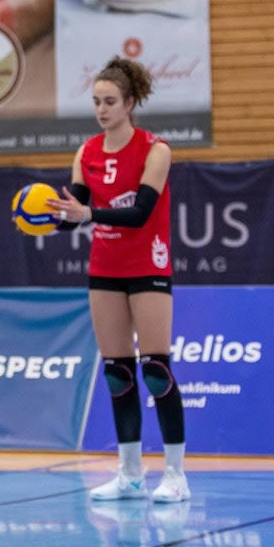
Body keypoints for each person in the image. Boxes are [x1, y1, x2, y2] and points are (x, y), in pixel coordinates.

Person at [46, 56, 190, 504]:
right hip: (105, 268)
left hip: (148, 265)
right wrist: (49, 216)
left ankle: (175, 475)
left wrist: (87, 213)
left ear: (130, 102)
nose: (102, 109)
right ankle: (129, 474)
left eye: (110, 101)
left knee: (156, 370)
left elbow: (140, 211)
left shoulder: (155, 150)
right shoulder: (86, 153)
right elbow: (78, 213)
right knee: (117, 373)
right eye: (96, 101)